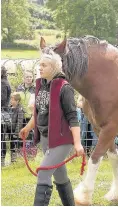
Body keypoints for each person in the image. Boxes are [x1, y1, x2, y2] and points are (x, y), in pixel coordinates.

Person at [19, 51, 84, 206]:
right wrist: (28, 128)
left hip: (61, 140)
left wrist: (78, 143)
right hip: (46, 137)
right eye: (39, 65)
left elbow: (72, 117)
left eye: (44, 65)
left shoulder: (65, 87)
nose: (39, 68)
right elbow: (40, 112)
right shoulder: (42, 85)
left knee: (43, 173)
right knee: (60, 176)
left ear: (54, 67)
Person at [8, 92, 24, 163]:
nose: (11, 101)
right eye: (11, 99)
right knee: (11, 144)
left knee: (15, 145)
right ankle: (12, 160)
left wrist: (16, 133)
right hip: (9, 130)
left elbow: (19, 122)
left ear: (17, 101)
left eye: (13, 99)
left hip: (15, 131)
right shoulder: (9, 108)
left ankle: (15, 160)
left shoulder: (20, 109)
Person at [1, 65, 12, 166]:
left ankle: (2, 160)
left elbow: (2, 99)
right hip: (4, 112)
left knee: (2, 137)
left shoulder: (3, 83)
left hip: (3, 112)